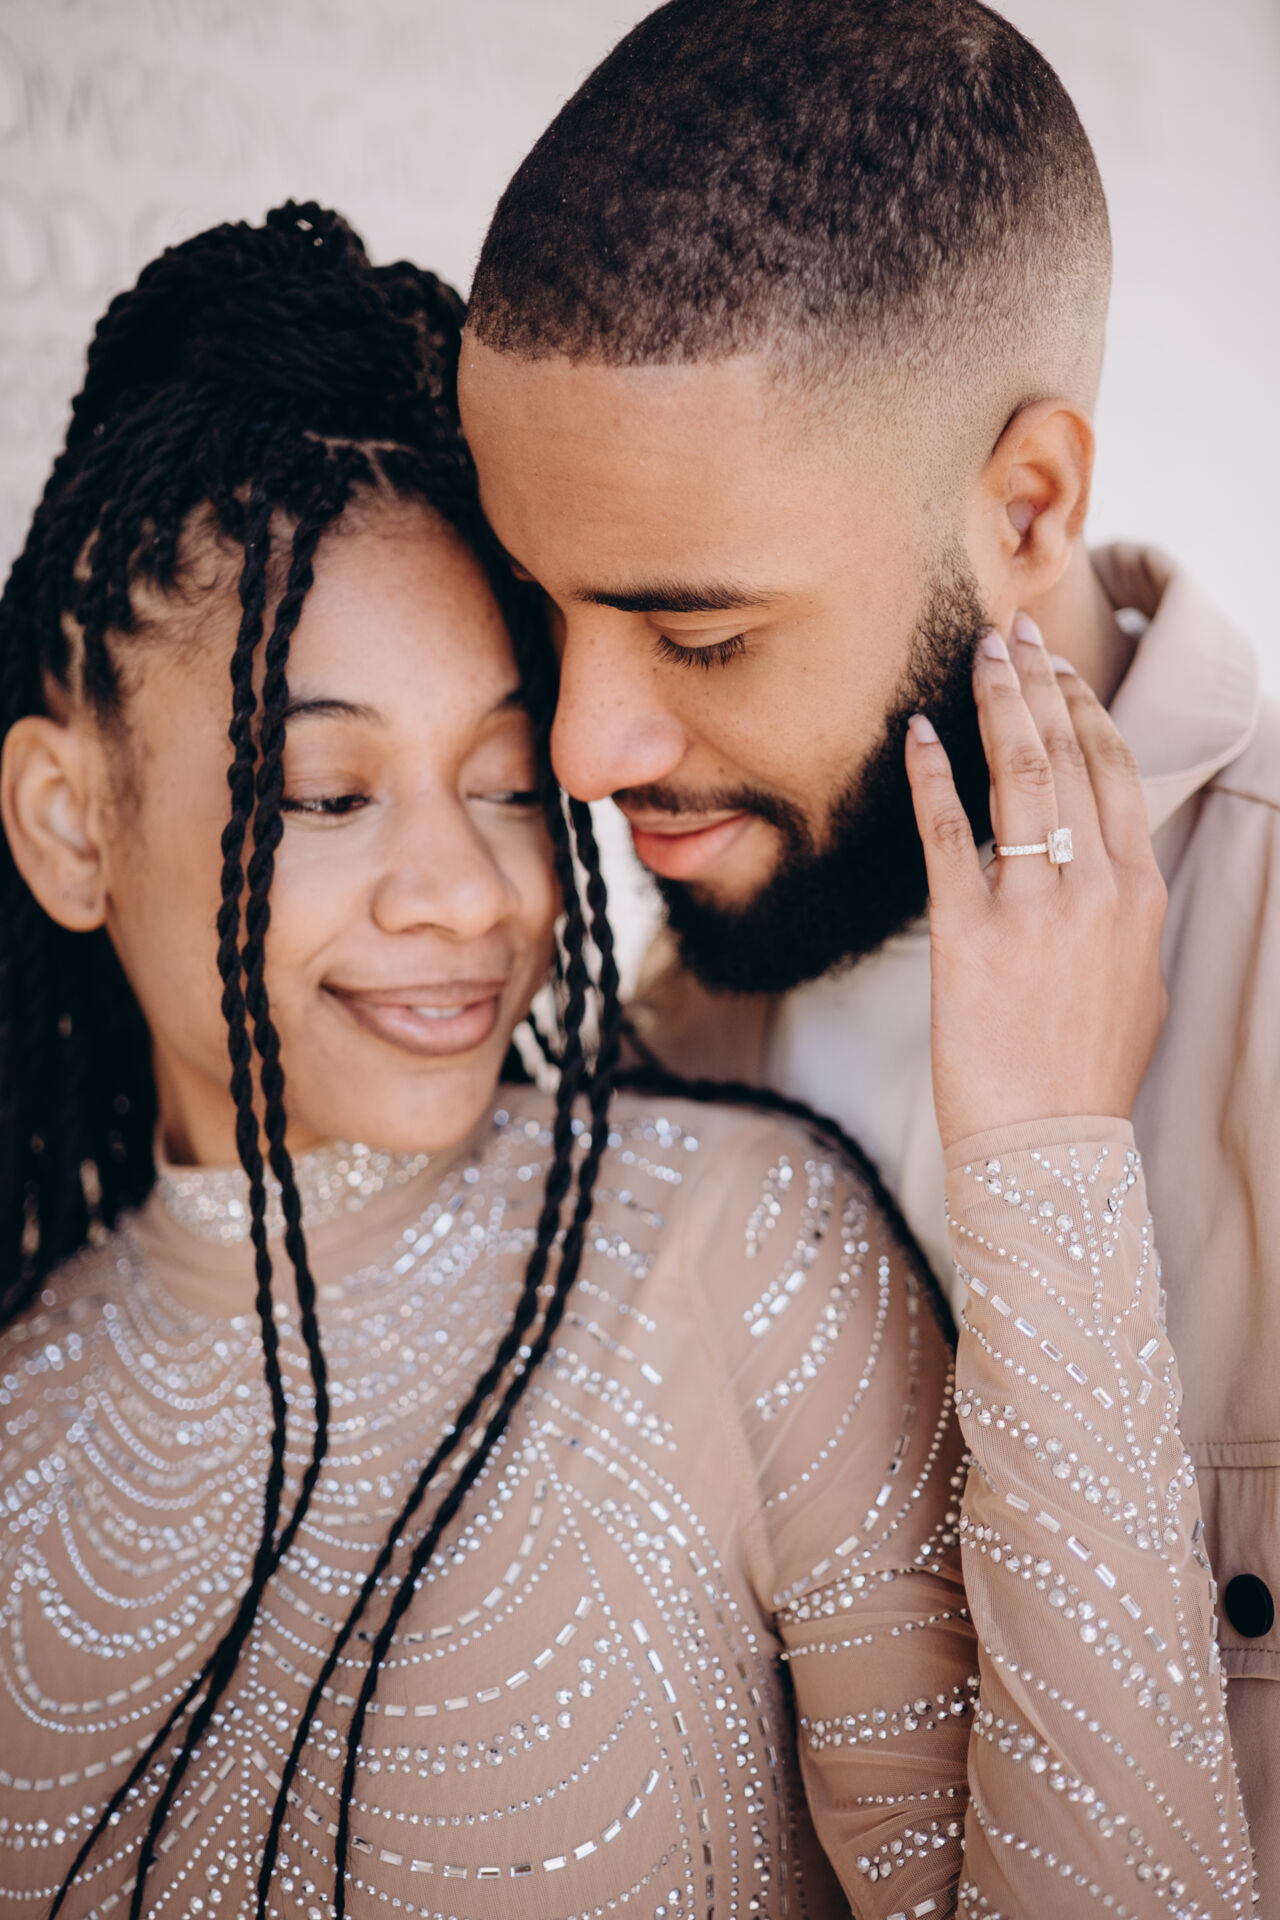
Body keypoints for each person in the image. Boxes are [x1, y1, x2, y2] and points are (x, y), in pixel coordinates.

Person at [0, 203, 1243, 1920]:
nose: (466, 892)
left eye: (511, 784)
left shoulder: (738, 1246)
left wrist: (1046, 1169)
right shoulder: (25, 1396)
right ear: (69, 823)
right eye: (329, 793)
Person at [457, 0, 1280, 1897]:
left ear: (1026, 505)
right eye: (544, 606)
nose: (581, 749)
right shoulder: (642, 1047)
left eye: (703, 635)